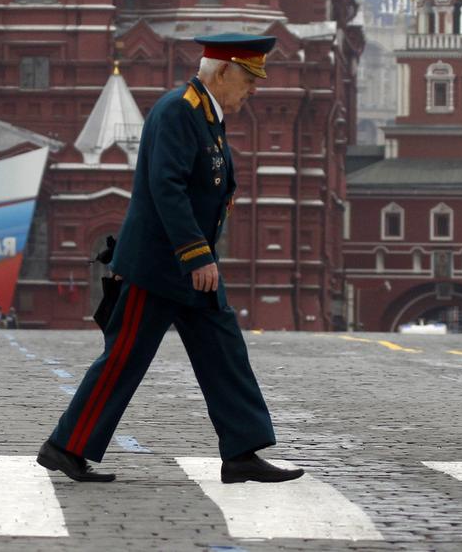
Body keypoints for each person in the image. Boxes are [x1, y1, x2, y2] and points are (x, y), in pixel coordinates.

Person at [39, 34, 302, 485]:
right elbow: (167, 187)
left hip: (191, 266)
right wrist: (196, 255)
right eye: (249, 78)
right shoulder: (179, 111)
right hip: (159, 266)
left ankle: (242, 452)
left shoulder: (206, 115)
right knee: (125, 357)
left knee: (224, 351)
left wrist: (200, 256)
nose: (254, 88)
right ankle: (65, 447)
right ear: (223, 71)